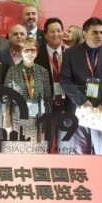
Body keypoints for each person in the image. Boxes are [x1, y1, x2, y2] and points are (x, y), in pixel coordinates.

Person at [60, 17, 102, 155]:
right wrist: (82, 102)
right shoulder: (71, 53)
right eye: (95, 32)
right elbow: (65, 80)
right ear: (84, 34)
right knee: (79, 156)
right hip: (79, 111)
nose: (100, 36)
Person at [3, 38, 52, 150]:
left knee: (36, 154)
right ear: (21, 51)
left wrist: (47, 121)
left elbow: (48, 98)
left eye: (33, 50)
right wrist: (6, 120)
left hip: (38, 121)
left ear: (37, 52)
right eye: (26, 50)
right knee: (17, 154)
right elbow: (6, 98)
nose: (29, 53)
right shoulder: (12, 71)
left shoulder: (43, 72)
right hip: (17, 120)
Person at [35, 18, 66, 151]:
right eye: (52, 31)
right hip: (46, 108)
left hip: (67, 107)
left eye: (59, 31)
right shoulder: (36, 54)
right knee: (44, 147)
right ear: (45, 35)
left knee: (66, 150)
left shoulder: (70, 53)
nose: (56, 34)